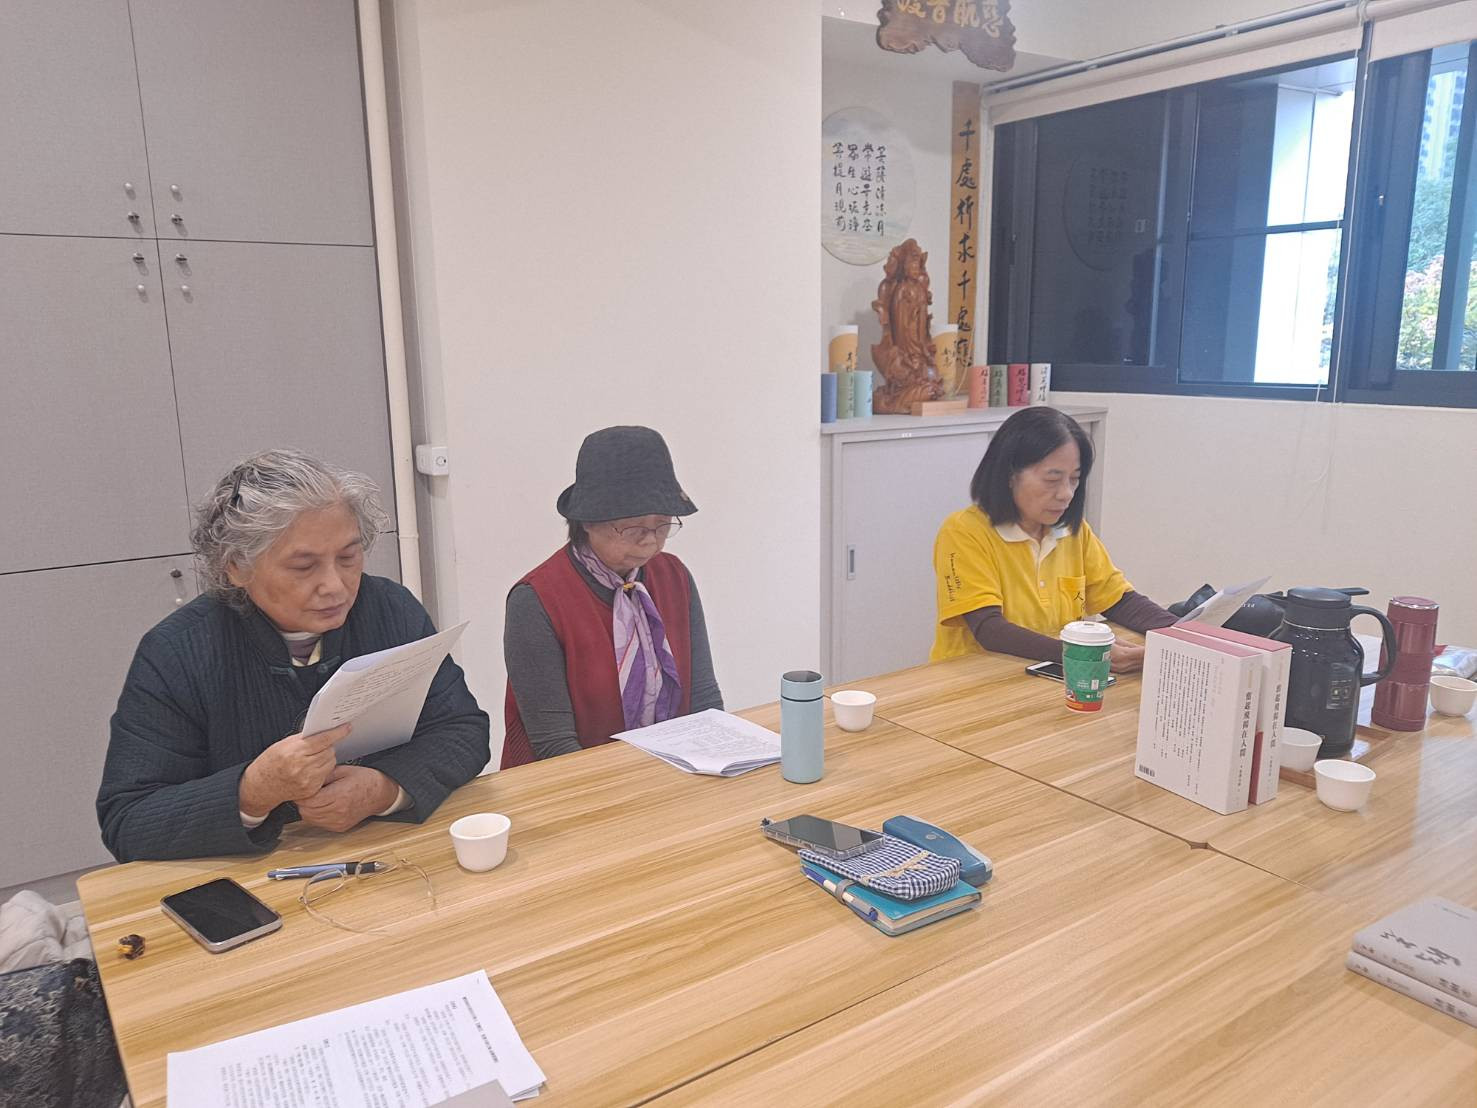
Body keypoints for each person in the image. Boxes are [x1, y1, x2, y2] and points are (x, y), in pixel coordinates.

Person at [97, 450, 489, 863]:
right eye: (304, 566)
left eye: (348, 557)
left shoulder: (390, 610)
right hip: (255, 877)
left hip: (390, 857)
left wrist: (384, 789)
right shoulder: (179, 652)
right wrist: (253, 791)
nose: (335, 586)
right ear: (236, 567)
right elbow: (128, 820)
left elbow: (463, 729)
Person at [502, 426, 723, 767]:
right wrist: (628, 788)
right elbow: (554, 743)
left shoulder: (674, 577)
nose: (651, 540)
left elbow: (703, 699)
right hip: (572, 781)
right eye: (633, 528)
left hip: (670, 771)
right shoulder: (537, 600)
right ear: (587, 522)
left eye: (663, 524)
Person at [931, 407, 1175, 673]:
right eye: (1052, 479)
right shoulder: (964, 531)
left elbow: (1119, 600)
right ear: (1010, 475)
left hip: (1050, 673)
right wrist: (1081, 653)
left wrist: (1185, 637)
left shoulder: (1073, 531)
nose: (1066, 494)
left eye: (1074, 479)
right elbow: (988, 628)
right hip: (975, 679)